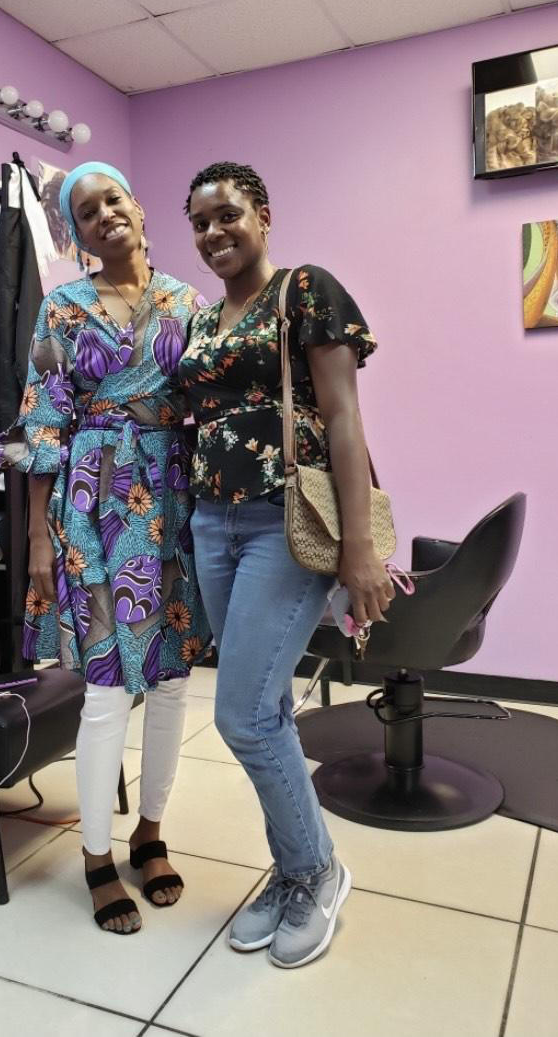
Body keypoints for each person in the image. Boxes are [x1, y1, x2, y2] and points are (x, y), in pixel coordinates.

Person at [178, 162, 395, 969]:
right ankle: (293, 866)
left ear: (261, 215)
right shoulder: (202, 322)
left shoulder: (305, 290)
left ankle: (316, 870)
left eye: (227, 215)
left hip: (285, 523)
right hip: (211, 522)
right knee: (260, 708)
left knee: (239, 714)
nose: (213, 233)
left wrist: (359, 551)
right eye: (199, 223)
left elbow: (341, 416)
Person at [0, 161, 210, 935]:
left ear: (140, 208)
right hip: (91, 499)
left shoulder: (188, 301)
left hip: (173, 498)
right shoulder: (61, 309)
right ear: (77, 235)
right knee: (108, 685)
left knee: (175, 678)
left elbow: (209, 401)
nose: (104, 215)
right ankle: (93, 853)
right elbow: (42, 425)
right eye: (86, 212)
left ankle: (150, 830)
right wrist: (37, 539)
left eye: (113, 198)